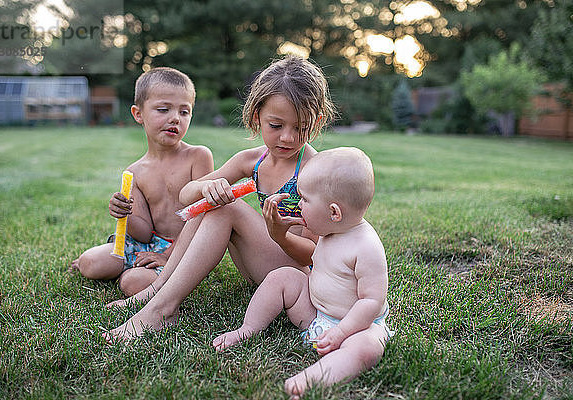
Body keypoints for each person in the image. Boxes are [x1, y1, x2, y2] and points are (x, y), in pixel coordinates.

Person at [104, 55, 336, 342]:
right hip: (262, 270)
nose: (287, 138)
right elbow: (186, 195)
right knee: (215, 204)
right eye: (276, 126)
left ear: (318, 121)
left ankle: (162, 308)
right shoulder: (252, 160)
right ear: (256, 117)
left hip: (296, 278)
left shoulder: (315, 171)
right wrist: (207, 189)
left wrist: (280, 235)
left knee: (227, 209)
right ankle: (158, 290)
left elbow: (314, 255)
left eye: (300, 128)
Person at [212, 147, 392, 399]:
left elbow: (371, 302)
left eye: (304, 201)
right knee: (282, 276)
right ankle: (248, 328)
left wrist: (341, 332)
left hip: (358, 326)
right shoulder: (330, 231)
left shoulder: (366, 246)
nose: (299, 207)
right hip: (316, 314)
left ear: (333, 212)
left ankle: (313, 377)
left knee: (366, 349)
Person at [70, 67, 214, 296]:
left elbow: (202, 216)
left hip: (186, 248)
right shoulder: (135, 172)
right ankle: (133, 266)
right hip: (149, 244)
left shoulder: (198, 157)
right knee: (91, 262)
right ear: (138, 114)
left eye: (184, 112)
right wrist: (124, 214)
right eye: (163, 109)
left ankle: (151, 272)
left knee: (132, 283)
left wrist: (166, 256)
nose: (175, 118)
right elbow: (144, 234)